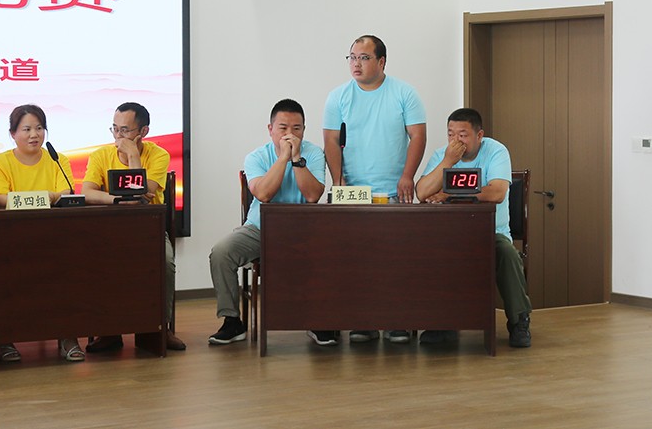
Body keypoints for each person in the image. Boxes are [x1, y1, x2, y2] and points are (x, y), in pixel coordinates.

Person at [322, 34, 427, 344]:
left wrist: (408, 175)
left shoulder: (404, 93)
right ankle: (363, 320)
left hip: (394, 191)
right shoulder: (338, 97)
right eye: (352, 57)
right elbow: (330, 141)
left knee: (395, 259)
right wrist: (338, 181)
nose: (356, 63)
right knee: (356, 260)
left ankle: (396, 321)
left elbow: (418, 136)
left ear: (381, 62)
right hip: (354, 193)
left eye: (364, 58)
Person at [209, 99, 328, 346]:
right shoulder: (256, 157)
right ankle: (232, 321)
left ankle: (319, 320)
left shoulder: (314, 153)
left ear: (304, 130)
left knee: (334, 251)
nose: (290, 134)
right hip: (259, 228)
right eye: (283, 128)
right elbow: (263, 194)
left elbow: (312, 195)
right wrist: (283, 158)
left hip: (303, 232)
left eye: (297, 128)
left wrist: (296, 159)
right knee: (221, 253)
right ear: (270, 129)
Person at [415, 108, 532, 348]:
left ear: (479, 135)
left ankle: (519, 320)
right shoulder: (442, 155)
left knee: (507, 253)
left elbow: (497, 192)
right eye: (451, 134)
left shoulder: (496, 151)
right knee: (427, 253)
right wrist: (448, 162)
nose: (456, 141)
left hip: (490, 234)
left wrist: (447, 194)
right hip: (449, 236)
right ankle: (443, 323)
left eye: (463, 135)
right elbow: (422, 193)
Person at [81, 102, 186, 351]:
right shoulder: (100, 155)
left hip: (148, 228)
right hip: (109, 229)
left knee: (165, 262)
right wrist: (117, 199)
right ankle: (108, 331)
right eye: (115, 129)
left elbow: (141, 192)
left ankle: (160, 329)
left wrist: (133, 156)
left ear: (143, 131)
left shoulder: (159, 155)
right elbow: (87, 192)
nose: (118, 136)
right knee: (97, 262)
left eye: (125, 130)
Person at [0, 104, 86, 363]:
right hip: (10, 239)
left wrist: (47, 197)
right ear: (12, 134)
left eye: (39, 128)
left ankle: (68, 336)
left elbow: (65, 192)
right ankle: (5, 339)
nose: (34, 135)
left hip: (52, 237)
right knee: (2, 274)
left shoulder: (57, 159)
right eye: (26, 129)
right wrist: (45, 196)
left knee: (70, 270)